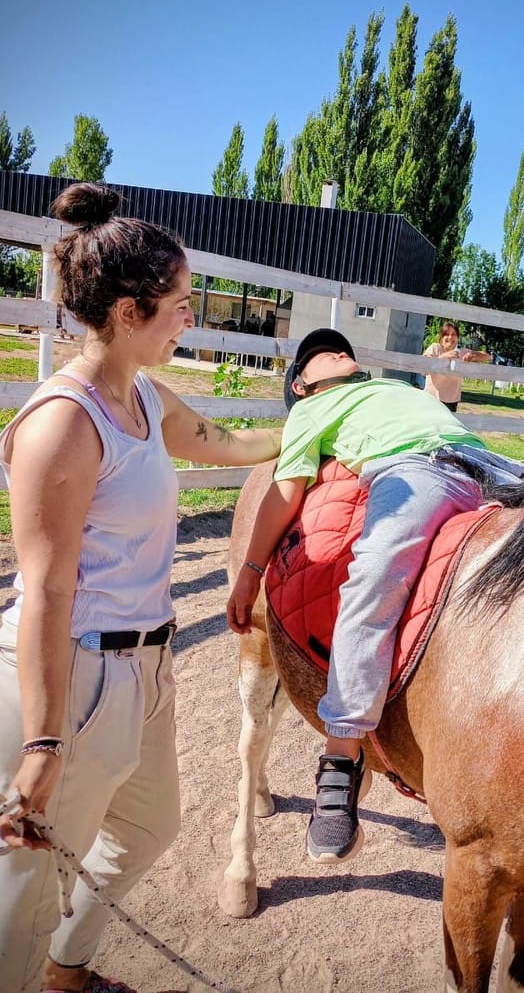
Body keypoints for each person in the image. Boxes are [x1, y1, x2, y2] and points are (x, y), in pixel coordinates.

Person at [0, 183, 283, 993]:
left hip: (144, 669)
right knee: (26, 887)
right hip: (77, 674)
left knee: (151, 825)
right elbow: (47, 593)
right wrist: (45, 742)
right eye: (180, 306)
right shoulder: (65, 422)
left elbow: (227, 441)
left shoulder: (148, 398)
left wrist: (319, 428)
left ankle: (65, 971)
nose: (189, 319)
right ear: (129, 312)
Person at [227, 328, 524, 865]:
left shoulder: (396, 388)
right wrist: (251, 569)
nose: (337, 351)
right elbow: (287, 487)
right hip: (415, 472)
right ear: (302, 385)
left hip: (493, 469)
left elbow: (448, 399)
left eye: (342, 348)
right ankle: (342, 754)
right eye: (320, 356)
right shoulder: (310, 413)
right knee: (376, 571)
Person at [422, 321, 492, 411]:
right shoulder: (435, 348)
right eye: (446, 334)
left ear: (458, 338)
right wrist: (443, 357)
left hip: (451, 402)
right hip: (431, 398)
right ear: (441, 337)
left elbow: (487, 356)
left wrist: (474, 356)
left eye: (454, 334)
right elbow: (423, 370)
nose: (450, 337)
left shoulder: (460, 352)